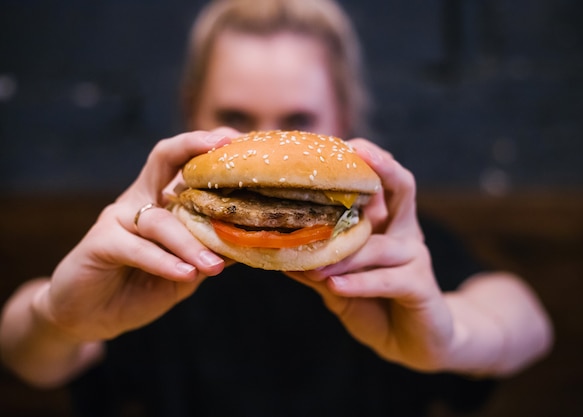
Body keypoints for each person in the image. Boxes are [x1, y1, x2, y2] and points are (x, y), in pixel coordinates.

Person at [0, 0, 553, 416]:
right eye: (236, 117)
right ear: (194, 113)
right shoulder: (151, 251)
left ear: (344, 119)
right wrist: (56, 318)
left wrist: (452, 335)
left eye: (299, 120)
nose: (266, 153)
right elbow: (29, 356)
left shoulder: (391, 248)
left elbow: (526, 320)